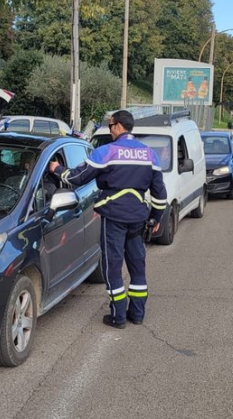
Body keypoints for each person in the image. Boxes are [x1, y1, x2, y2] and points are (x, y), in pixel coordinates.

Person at [48, 110, 167, 329]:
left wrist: (57, 169)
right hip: (138, 219)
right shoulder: (150, 155)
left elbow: (76, 178)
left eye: (111, 125)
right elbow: (160, 194)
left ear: (119, 126)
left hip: (113, 218)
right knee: (137, 266)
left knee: (113, 266)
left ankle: (118, 316)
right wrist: (156, 218)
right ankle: (138, 314)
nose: (110, 129)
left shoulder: (106, 152)